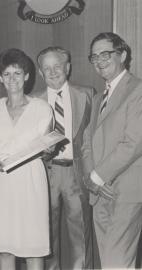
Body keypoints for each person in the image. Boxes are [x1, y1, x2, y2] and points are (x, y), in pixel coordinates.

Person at [0, 48, 53, 270]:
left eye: (17, 73)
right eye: (7, 74)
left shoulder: (42, 108)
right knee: (5, 248)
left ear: (27, 76)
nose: (12, 79)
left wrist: (49, 150)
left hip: (30, 181)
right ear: (0, 78)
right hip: (0, 182)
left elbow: (47, 147)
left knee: (33, 248)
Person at [85, 32, 142, 269]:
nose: (99, 60)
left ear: (123, 55)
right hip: (99, 194)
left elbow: (134, 142)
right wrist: (91, 179)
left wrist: (98, 176)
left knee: (118, 261)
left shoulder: (137, 90)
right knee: (109, 261)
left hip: (126, 192)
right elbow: (86, 143)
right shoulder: (98, 98)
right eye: (94, 56)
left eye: (106, 54)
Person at [34, 46, 94, 270]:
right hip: (44, 173)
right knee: (47, 234)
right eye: (46, 68)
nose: (52, 72)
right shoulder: (33, 101)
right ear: (40, 72)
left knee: (80, 233)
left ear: (67, 67)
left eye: (57, 66)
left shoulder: (87, 94)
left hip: (75, 173)